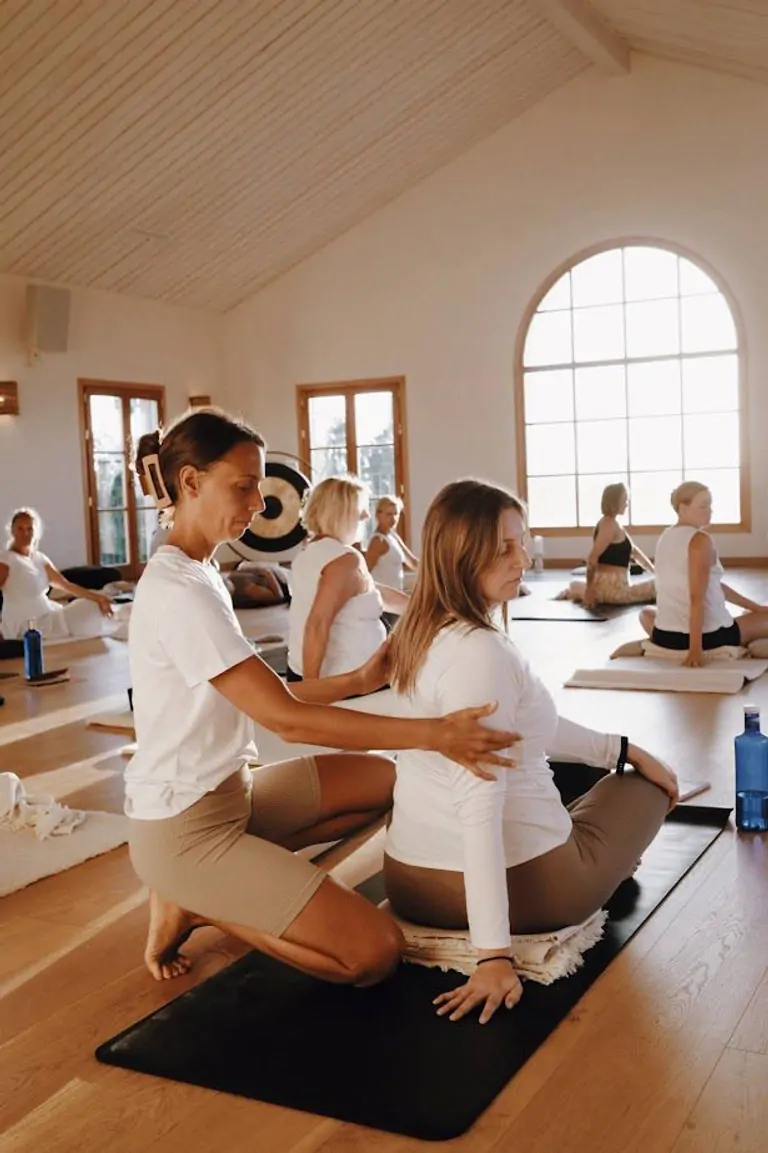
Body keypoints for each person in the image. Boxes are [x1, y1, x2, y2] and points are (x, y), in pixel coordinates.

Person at [127, 408, 520, 986]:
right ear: (190, 482)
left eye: (259, 487)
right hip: (183, 827)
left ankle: (215, 883)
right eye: (244, 487)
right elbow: (285, 719)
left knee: (388, 780)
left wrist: (356, 682)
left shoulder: (202, 571)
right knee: (373, 953)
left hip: (234, 794)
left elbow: (265, 692)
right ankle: (195, 901)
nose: (259, 504)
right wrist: (436, 734)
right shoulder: (178, 591)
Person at [383, 479, 678, 1024]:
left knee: (590, 772)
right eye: (505, 548)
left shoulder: (417, 632)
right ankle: (603, 861)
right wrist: (493, 956)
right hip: (533, 895)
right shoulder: (481, 652)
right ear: (461, 554)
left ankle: (600, 834)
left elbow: (526, 727)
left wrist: (621, 747)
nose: (522, 559)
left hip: (409, 883)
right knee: (644, 789)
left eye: (521, 542)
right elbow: (479, 808)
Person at [287, 477, 407, 682]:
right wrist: (311, 691)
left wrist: (428, 608)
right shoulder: (345, 560)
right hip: (345, 681)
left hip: (312, 671)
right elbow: (317, 625)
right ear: (340, 512)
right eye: (361, 508)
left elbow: (371, 591)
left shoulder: (310, 552)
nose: (367, 515)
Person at [640, 481, 768, 667]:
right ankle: (724, 643)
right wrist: (695, 650)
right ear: (683, 509)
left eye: (710, 505)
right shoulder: (700, 540)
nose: (710, 511)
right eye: (703, 506)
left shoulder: (665, 536)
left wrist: (756, 607)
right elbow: (696, 598)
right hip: (709, 638)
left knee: (645, 613)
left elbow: (713, 585)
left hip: (664, 637)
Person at [0, 508, 113, 640]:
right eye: (20, 529)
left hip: (49, 612)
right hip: (27, 623)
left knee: (92, 605)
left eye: (30, 529)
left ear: (36, 532)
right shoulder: (6, 559)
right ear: (12, 531)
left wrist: (98, 598)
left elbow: (66, 585)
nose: (25, 533)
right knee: (87, 612)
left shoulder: (39, 558)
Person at [561, 483, 655, 607]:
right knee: (659, 585)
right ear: (615, 501)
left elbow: (635, 552)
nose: (627, 504)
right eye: (624, 500)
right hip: (616, 591)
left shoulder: (614, 524)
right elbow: (592, 558)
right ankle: (595, 593)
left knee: (574, 585)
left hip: (607, 587)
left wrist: (654, 571)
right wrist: (589, 589)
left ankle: (591, 592)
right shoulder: (609, 525)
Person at [365, 496, 419, 591]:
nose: (393, 518)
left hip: (396, 592)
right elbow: (365, 572)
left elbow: (413, 562)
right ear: (378, 515)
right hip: (382, 595)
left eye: (396, 514)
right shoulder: (377, 541)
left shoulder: (393, 536)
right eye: (389, 514)